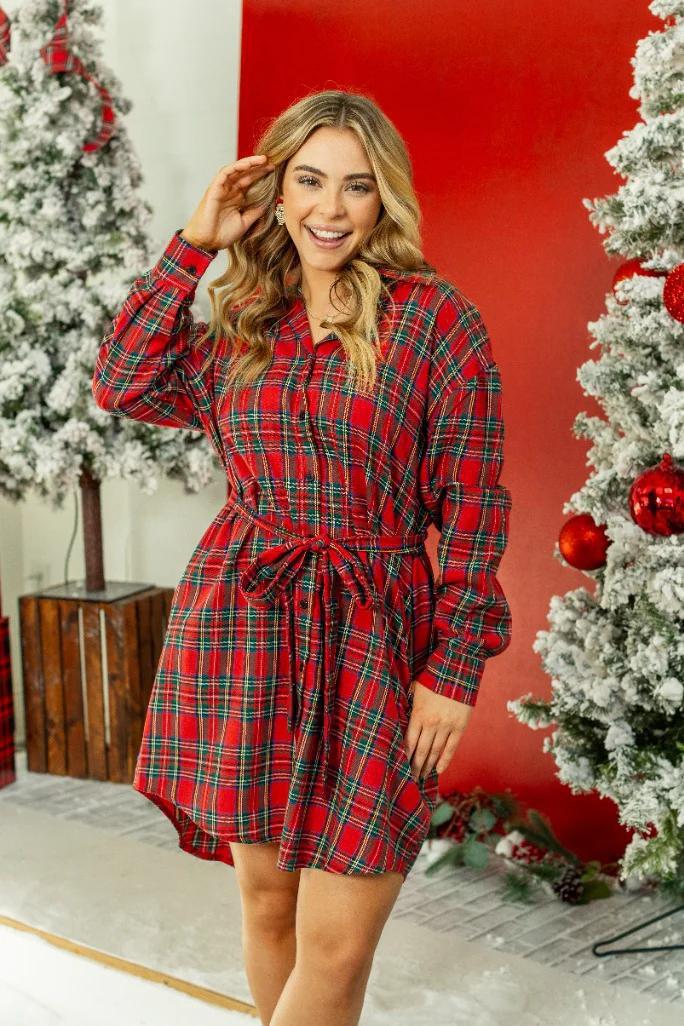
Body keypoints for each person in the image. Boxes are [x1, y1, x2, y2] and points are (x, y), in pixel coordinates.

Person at [92, 89, 512, 1026]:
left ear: (383, 197)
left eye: (356, 187)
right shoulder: (248, 318)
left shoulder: (435, 323)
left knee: (338, 946)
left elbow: (475, 510)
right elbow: (120, 380)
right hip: (244, 621)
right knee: (269, 904)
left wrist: (452, 671)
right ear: (274, 193)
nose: (331, 208)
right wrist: (194, 244)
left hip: (375, 635)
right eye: (310, 181)